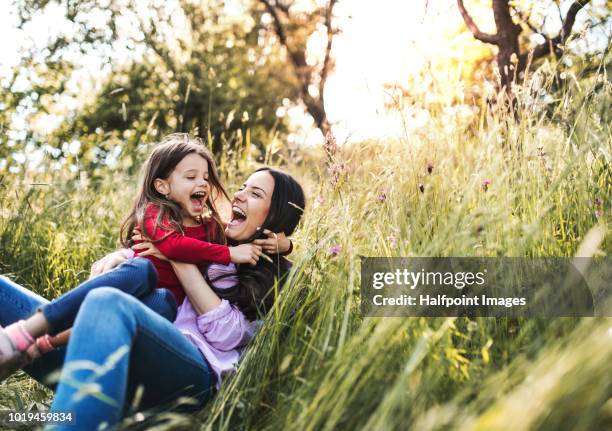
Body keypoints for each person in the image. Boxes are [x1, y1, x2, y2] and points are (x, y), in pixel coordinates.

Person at [0, 167, 305, 430]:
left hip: (188, 374)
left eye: (255, 194)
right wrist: (120, 257)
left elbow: (226, 335)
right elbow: (146, 257)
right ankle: (26, 349)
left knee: (107, 302)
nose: (238, 195)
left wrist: (176, 255)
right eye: (242, 187)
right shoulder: (208, 236)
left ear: (276, 216)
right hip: (112, 351)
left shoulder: (275, 279)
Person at [0, 133, 267, 374]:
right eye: (191, 177)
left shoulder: (211, 228)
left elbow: (242, 238)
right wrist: (230, 255)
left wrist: (283, 244)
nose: (203, 183)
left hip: (158, 310)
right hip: (132, 289)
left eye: (206, 178)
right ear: (162, 187)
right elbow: (173, 246)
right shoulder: (155, 213)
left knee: (164, 302)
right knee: (142, 270)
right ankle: (25, 333)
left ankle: (42, 345)